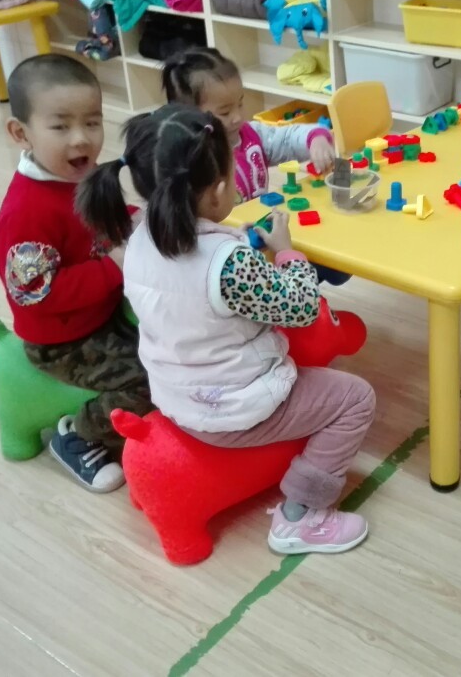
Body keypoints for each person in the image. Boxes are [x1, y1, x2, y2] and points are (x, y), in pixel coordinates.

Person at [77, 104, 376, 554]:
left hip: (175, 395)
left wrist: (242, 250)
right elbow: (301, 308)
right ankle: (303, 517)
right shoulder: (228, 265)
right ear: (218, 191)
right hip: (231, 407)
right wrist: (287, 252)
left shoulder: (136, 236)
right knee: (356, 399)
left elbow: (192, 291)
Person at [0, 54, 153, 492]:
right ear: (20, 133)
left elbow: (107, 215)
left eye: (92, 122)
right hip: (64, 340)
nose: (81, 139)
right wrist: (112, 266)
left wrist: (138, 219)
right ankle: (77, 435)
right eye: (60, 127)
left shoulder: (83, 175)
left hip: (104, 312)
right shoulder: (27, 212)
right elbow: (36, 293)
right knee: (145, 381)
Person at [161, 46, 349, 285]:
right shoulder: (190, 162)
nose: (238, 117)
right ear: (188, 117)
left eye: (240, 104)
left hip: (264, 235)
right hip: (230, 260)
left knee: (336, 264)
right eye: (225, 112)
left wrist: (316, 138)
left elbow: (285, 138)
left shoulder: (250, 134)